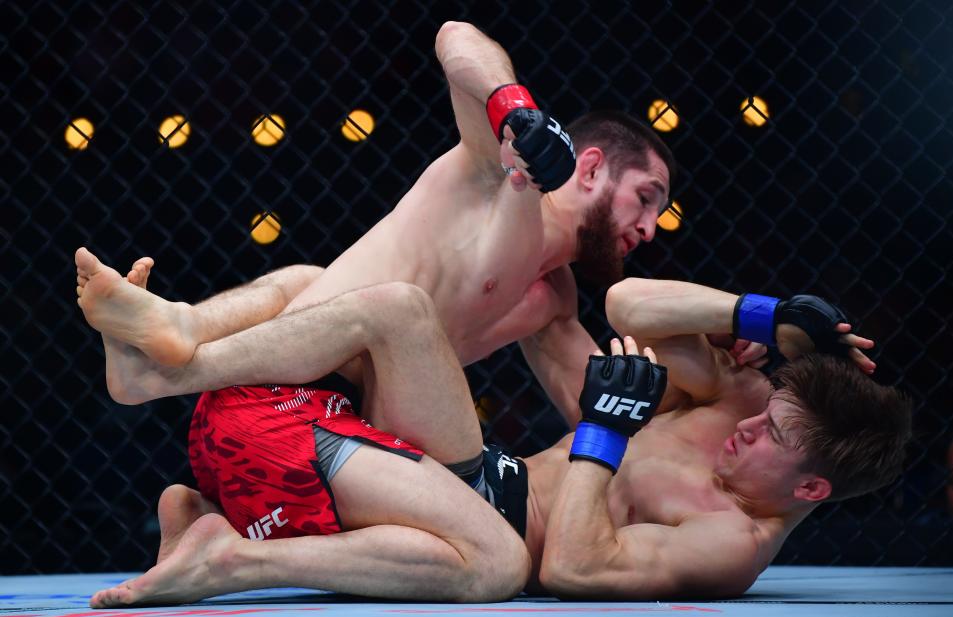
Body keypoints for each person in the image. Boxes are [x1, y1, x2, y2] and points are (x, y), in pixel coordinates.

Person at [77, 20, 677, 501]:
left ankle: (197, 494)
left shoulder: (553, 303)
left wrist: (725, 351)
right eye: (645, 199)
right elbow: (455, 35)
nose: (650, 230)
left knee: (334, 292)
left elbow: (605, 417)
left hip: (349, 437)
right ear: (593, 167)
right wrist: (516, 110)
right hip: (293, 387)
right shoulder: (492, 172)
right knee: (334, 289)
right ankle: (172, 347)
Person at [82, 272, 910, 607]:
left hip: (491, 514)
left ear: (809, 488)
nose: (752, 423)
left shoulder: (732, 542)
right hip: (470, 472)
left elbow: (574, 566)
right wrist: (759, 315)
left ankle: (223, 543)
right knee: (359, 298)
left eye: (776, 435)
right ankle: (169, 352)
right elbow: (627, 303)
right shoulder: (742, 403)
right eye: (769, 408)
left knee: (503, 565)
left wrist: (604, 431)